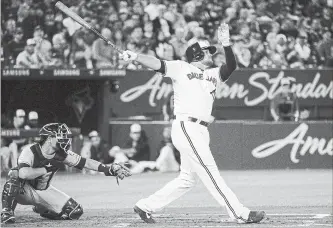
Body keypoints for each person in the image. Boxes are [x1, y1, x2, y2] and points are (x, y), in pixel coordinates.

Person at [119, 23, 266, 224]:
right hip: (187, 127)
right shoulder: (181, 67)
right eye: (208, 52)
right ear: (197, 53)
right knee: (210, 170)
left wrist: (227, 44)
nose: (212, 55)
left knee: (186, 180)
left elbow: (231, 66)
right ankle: (240, 213)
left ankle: (145, 206)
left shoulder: (213, 74)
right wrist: (135, 56)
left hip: (201, 130)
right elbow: (156, 63)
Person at [1, 123, 131, 224]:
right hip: (25, 190)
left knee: (75, 212)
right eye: (60, 136)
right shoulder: (30, 151)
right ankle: (7, 211)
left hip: (44, 190)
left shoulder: (61, 154)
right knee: (14, 175)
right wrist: (46, 169)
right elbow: (23, 174)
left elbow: (85, 162)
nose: (64, 139)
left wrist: (108, 169)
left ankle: (42, 209)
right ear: (49, 138)